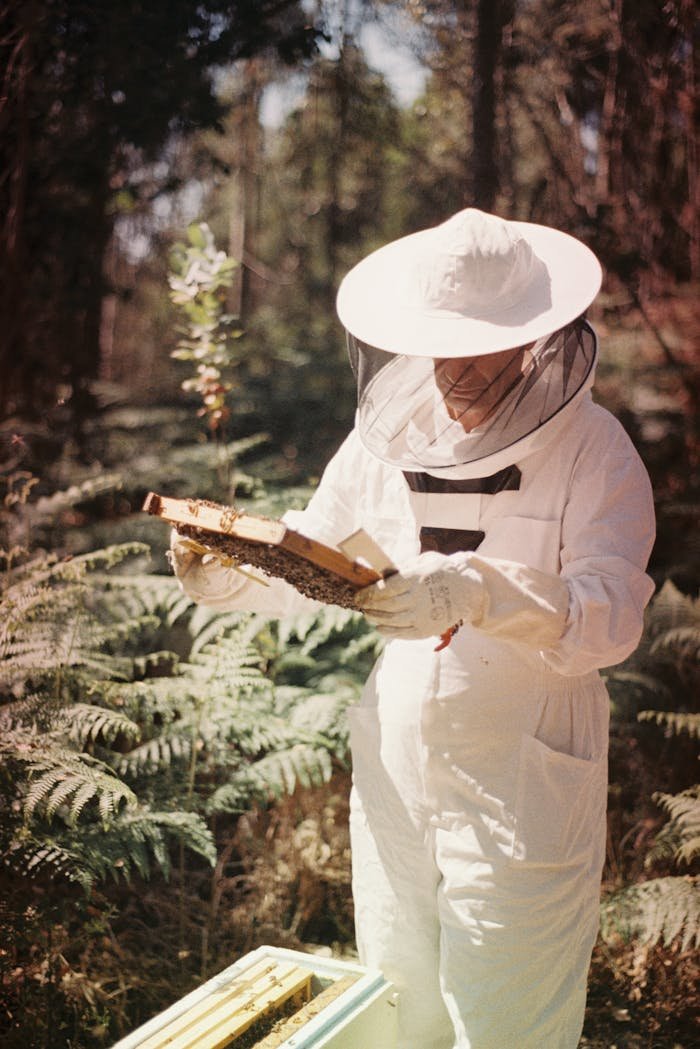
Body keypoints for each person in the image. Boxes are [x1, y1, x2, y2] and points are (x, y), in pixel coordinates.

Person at [170, 208, 656, 1049]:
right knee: (397, 1001)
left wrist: (479, 591)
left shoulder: (597, 450)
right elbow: (316, 559)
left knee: (509, 1016)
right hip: (396, 764)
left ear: (534, 337)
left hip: (523, 774)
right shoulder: (380, 444)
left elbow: (609, 619)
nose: (452, 369)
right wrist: (230, 574)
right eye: (438, 343)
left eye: (477, 345)